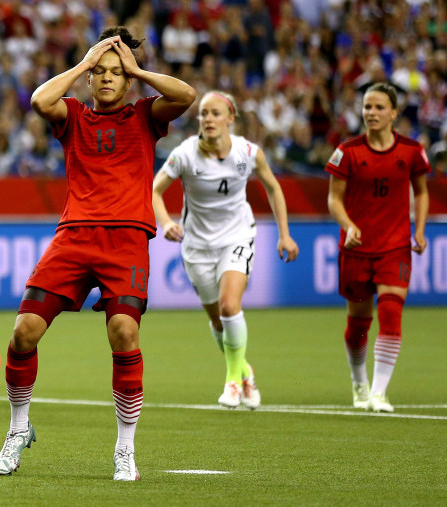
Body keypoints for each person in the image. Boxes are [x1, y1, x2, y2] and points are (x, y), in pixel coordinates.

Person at [0, 27, 196, 481]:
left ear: (127, 83)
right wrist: (85, 62)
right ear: (88, 80)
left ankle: (125, 449)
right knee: (23, 332)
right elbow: (39, 101)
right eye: (99, 73)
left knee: (124, 333)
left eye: (114, 73)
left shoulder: (146, 115)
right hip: (74, 236)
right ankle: (17, 428)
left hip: (125, 240)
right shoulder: (72, 116)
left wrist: (138, 69)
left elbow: (187, 95)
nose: (106, 79)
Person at [152, 90, 299, 410]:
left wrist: (284, 235)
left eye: (215, 113)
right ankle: (244, 371)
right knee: (219, 321)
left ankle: (232, 381)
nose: (208, 119)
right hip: (196, 247)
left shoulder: (248, 152)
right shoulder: (186, 154)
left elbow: (273, 187)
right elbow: (155, 190)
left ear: (231, 119)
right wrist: (165, 223)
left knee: (230, 307)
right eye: (203, 114)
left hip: (237, 237)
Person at [325, 82, 430, 413]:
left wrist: (421, 230)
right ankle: (360, 382)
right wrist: (348, 225)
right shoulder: (348, 151)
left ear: (394, 113)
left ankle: (379, 393)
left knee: (390, 312)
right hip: (356, 249)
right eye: (367, 107)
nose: (371, 112)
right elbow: (334, 199)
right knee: (359, 322)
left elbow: (422, 192)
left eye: (379, 107)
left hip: (395, 247)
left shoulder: (412, 151)